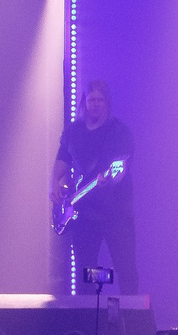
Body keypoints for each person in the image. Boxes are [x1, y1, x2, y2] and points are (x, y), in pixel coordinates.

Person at [51, 79, 137, 294]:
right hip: (84, 214)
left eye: (100, 99)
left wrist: (111, 179)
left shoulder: (119, 132)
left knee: (126, 270)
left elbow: (120, 168)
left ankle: (128, 318)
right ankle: (87, 320)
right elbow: (62, 160)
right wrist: (56, 183)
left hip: (116, 212)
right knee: (85, 272)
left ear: (107, 102)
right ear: (84, 102)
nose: (96, 104)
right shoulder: (73, 131)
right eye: (91, 100)